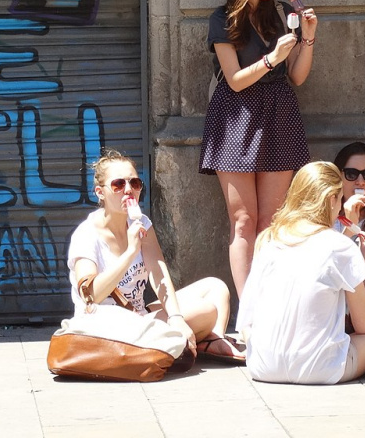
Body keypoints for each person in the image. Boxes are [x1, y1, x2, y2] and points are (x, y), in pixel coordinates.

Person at [200, 0, 317, 297]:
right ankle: (248, 309)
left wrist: (308, 40)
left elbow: (296, 77)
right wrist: (271, 59)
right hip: (235, 117)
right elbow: (234, 81)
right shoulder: (222, 20)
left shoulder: (281, 12)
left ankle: (269, 302)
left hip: (279, 113)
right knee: (243, 221)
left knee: (271, 222)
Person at [67, 148, 245, 364]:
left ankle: (210, 341)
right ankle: (200, 339)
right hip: (105, 327)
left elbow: (158, 273)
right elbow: (90, 295)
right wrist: (131, 251)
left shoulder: (140, 222)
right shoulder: (87, 235)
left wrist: (176, 317)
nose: (128, 190)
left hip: (137, 315)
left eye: (135, 183)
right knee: (205, 310)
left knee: (216, 288)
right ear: (100, 192)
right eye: (118, 184)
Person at [237, 162, 365, 384]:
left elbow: (246, 321)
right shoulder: (341, 247)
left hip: (261, 366)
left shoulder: (268, 240)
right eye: (339, 199)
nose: (340, 207)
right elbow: (364, 325)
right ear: (330, 200)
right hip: (320, 369)